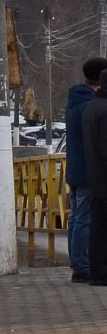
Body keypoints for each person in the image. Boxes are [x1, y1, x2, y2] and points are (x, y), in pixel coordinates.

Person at [65, 57, 107, 283]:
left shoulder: (76, 100)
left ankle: (78, 262)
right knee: (84, 219)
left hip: (76, 166)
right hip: (90, 169)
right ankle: (81, 266)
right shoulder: (91, 105)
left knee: (76, 217)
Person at [82, 68, 107, 286]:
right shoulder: (105, 110)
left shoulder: (92, 106)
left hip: (96, 178)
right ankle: (101, 271)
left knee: (98, 227)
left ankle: (97, 271)